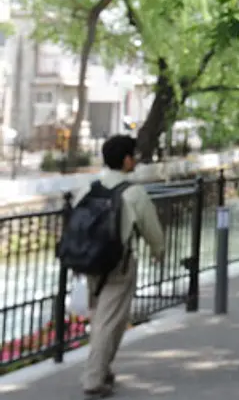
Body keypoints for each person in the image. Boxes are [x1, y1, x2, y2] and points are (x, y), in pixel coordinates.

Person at [80, 135, 166, 398]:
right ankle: (95, 377)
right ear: (127, 159)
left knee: (100, 317)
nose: (136, 160)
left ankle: (102, 368)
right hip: (120, 264)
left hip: (90, 261)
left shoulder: (89, 186)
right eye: (134, 155)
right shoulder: (134, 192)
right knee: (111, 321)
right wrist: (158, 251)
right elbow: (152, 230)